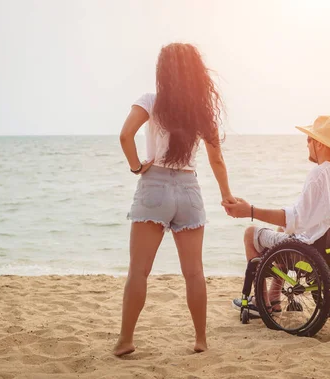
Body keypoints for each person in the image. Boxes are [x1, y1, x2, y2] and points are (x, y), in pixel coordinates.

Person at [114, 43, 236, 356]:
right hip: (189, 191)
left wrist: (137, 166)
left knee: (139, 271)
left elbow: (125, 136)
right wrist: (226, 195)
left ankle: (126, 341)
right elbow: (216, 159)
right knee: (194, 272)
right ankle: (200, 340)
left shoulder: (151, 101)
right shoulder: (200, 111)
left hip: (154, 188)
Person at [223, 115, 330, 316]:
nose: (306, 145)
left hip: (312, 252)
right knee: (282, 231)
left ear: (319, 144)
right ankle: (274, 297)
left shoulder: (321, 174)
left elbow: (293, 218)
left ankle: (260, 303)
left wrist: (249, 211)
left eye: (308, 140)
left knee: (250, 233)